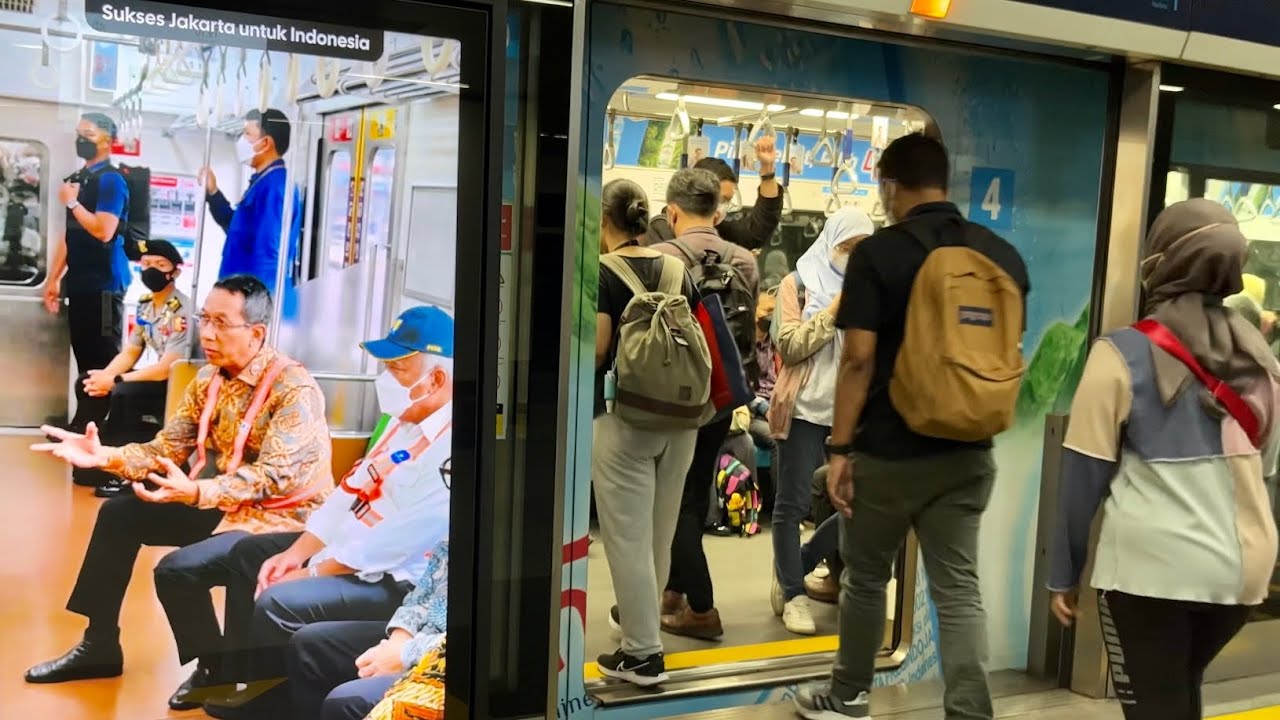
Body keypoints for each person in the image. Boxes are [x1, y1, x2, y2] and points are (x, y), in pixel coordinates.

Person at [794, 133, 1029, 720]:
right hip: (970, 450)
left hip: (889, 452)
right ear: (944, 182)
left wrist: (840, 448)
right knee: (957, 590)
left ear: (891, 185)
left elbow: (857, 359)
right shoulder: (1001, 256)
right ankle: (970, 711)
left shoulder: (880, 253)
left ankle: (848, 696)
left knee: (867, 579)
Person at [22, 275, 332, 685]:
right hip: (222, 502)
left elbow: (273, 477)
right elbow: (166, 448)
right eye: (205, 319)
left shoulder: (294, 389)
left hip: (282, 519)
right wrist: (105, 456)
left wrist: (197, 490)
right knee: (119, 514)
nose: (207, 332)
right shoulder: (208, 379)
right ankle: (99, 645)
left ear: (256, 332)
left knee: (177, 570)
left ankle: (213, 668)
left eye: (222, 323)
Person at [157, 305, 454, 714]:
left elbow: (396, 541)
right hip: (352, 551)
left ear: (435, 379)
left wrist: (314, 569)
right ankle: (250, 679)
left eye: (397, 370)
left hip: (391, 577)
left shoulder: (450, 449)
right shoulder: (405, 422)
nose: (386, 381)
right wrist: (296, 553)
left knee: (279, 602)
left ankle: (273, 697)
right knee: (251, 554)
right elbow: (349, 492)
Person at [1049, 199, 1280, 720]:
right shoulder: (1262, 359)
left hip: (1151, 574)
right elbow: (1266, 470)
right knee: (1177, 695)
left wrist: (1063, 573)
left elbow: (1083, 476)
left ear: (1160, 264)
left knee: (1155, 706)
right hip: (1240, 575)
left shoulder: (1121, 353)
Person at [593, 178, 700, 686]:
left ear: (604, 222)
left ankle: (642, 654)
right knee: (659, 530)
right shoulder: (678, 267)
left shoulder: (603, 271)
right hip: (682, 416)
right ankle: (639, 620)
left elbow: (597, 349)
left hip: (624, 417)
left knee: (626, 536)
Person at [651, 168, 760, 641]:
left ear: (672, 211)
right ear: (717, 212)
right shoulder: (746, 262)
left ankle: (702, 608)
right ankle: (670, 592)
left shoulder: (659, 257)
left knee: (674, 503)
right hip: (722, 398)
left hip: (672, 400)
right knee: (694, 491)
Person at [767, 208, 873, 635]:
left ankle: (799, 564)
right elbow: (790, 346)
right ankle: (795, 595)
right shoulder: (796, 284)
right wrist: (833, 310)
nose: (854, 258)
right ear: (831, 242)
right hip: (805, 410)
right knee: (790, 506)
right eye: (849, 248)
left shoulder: (871, 291)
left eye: (863, 250)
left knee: (860, 503)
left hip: (853, 414)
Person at [71, 239, 191, 497]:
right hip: (163, 380)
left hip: (182, 384)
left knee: (123, 394)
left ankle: (121, 472)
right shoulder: (146, 304)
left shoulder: (182, 310)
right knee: (87, 382)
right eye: (146, 264)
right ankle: (86, 453)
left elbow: (167, 367)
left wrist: (116, 382)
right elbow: (131, 351)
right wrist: (105, 376)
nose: (151, 270)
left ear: (175, 272)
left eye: (160, 265)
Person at [287, 539, 448, 720]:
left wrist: (405, 654)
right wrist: (398, 640)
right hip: (421, 635)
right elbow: (425, 591)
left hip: (442, 665)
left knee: (346, 701)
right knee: (311, 645)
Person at [44, 113, 132, 417]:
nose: (81, 139)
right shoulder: (77, 179)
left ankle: (100, 430)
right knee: (84, 359)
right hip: (81, 285)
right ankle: (83, 423)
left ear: (107, 140)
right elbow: (70, 236)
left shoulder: (111, 180)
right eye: (78, 132)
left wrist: (72, 203)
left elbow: (103, 230)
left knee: (103, 362)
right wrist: (53, 279)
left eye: (89, 134)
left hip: (105, 287)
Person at [202, 109, 302, 295]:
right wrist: (213, 193)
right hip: (235, 290)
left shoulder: (276, 187)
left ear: (265, 143)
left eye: (247, 134)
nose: (241, 140)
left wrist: (251, 303)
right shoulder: (261, 181)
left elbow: (268, 253)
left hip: (248, 298)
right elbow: (236, 229)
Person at [643, 136, 783, 251]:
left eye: (727, 201)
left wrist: (767, 171)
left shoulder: (720, 231)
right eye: (719, 199)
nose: (721, 208)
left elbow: (759, 229)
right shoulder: (659, 231)